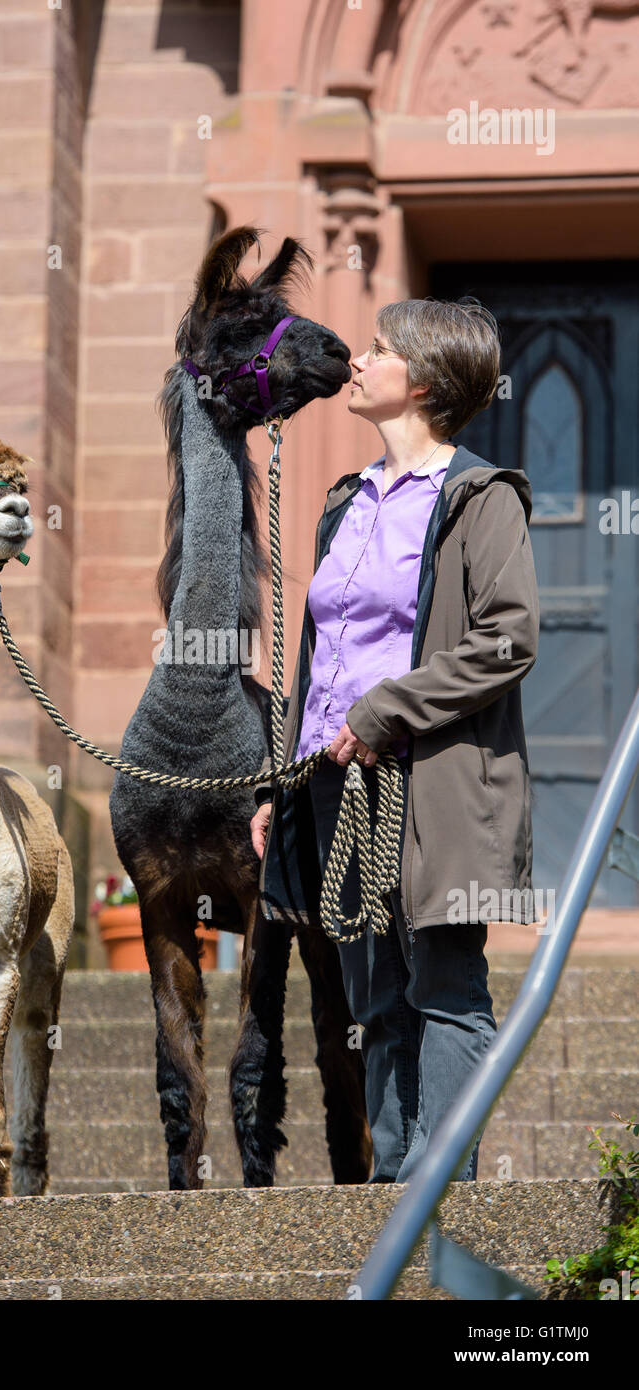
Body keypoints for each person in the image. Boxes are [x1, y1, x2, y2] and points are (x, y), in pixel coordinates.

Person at [251, 296, 540, 1183]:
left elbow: (508, 638)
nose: (357, 360)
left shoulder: (481, 499)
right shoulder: (346, 501)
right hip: (341, 784)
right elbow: (317, 651)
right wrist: (276, 779)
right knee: (375, 997)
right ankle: (390, 1189)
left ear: (418, 380)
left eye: (376, 350)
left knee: (444, 989)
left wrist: (383, 714)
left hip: (440, 777)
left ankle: (442, 1188)